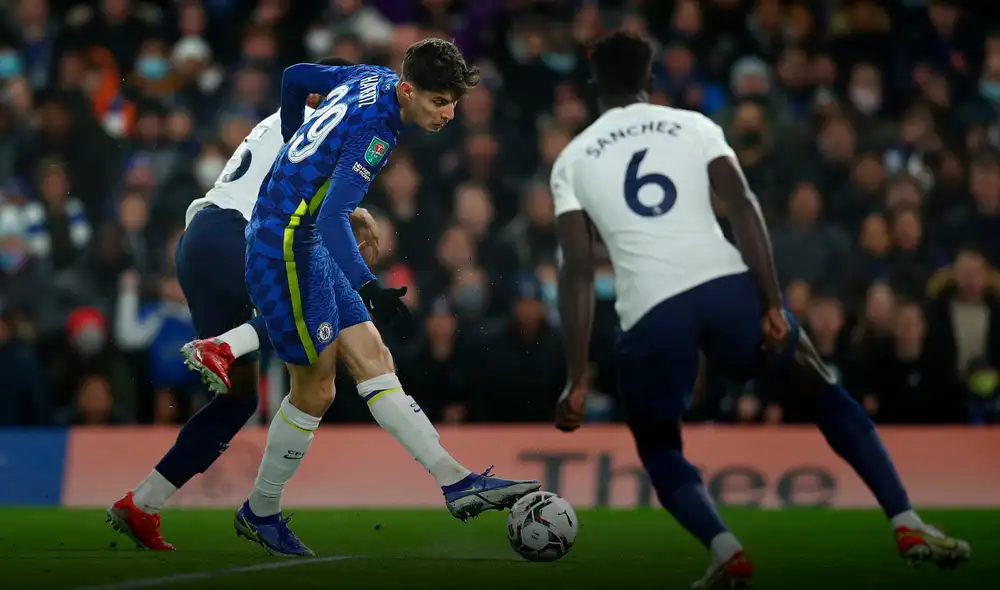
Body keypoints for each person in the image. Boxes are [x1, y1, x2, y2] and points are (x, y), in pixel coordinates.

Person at [549, 30, 970, 588]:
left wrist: (577, 376)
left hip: (652, 309)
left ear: (594, 87)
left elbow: (577, 271)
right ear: (651, 82)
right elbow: (744, 208)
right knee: (821, 388)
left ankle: (726, 550)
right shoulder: (694, 125)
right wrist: (772, 301)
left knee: (657, 443)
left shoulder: (572, 159)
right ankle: (906, 520)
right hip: (726, 286)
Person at [229, 39, 539, 557]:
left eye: (453, 103)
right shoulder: (378, 129)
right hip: (282, 245)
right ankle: (260, 509)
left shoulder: (368, 76)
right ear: (409, 90)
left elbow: (293, 77)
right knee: (316, 389)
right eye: (440, 101)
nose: (449, 113)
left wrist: (291, 145)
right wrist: (369, 286)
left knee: (375, 357)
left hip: (299, 234)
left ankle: (456, 481)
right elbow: (330, 217)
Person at [105, 59, 384, 551]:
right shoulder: (317, 125)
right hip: (235, 235)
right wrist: (355, 216)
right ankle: (222, 347)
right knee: (310, 309)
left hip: (201, 242)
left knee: (238, 401)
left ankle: (142, 503)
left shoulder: (286, 121)